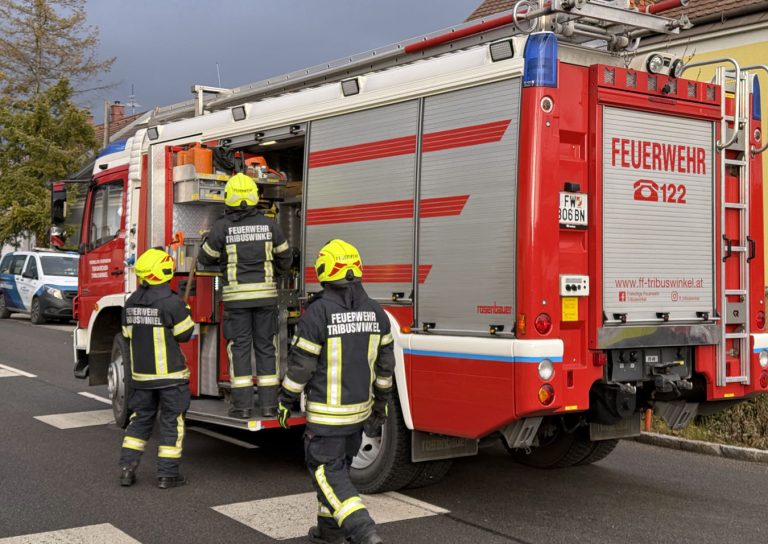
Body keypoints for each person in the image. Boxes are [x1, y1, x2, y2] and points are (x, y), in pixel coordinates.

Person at [278, 239, 394, 544]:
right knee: (338, 470)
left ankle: (363, 530)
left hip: (327, 418)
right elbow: (385, 370)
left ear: (325, 270)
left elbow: (301, 367)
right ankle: (329, 531)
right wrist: (380, 405)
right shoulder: (377, 313)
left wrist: (285, 400)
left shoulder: (318, 313)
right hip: (358, 416)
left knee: (327, 473)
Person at [198, 173, 291, 418]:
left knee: (239, 349)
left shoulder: (222, 227)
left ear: (228, 197)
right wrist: (277, 271)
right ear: (254, 197)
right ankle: (269, 406)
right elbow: (286, 257)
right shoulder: (270, 225)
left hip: (236, 301)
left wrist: (219, 253)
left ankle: (242, 407)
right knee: (266, 348)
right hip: (265, 299)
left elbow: (205, 258)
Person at [119, 248, 195, 489]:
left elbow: (127, 334)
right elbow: (185, 335)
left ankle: (127, 470)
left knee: (139, 420)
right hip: (171, 378)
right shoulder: (172, 303)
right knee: (172, 422)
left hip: (141, 378)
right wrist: (186, 313)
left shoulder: (130, 302)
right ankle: (167, 475)